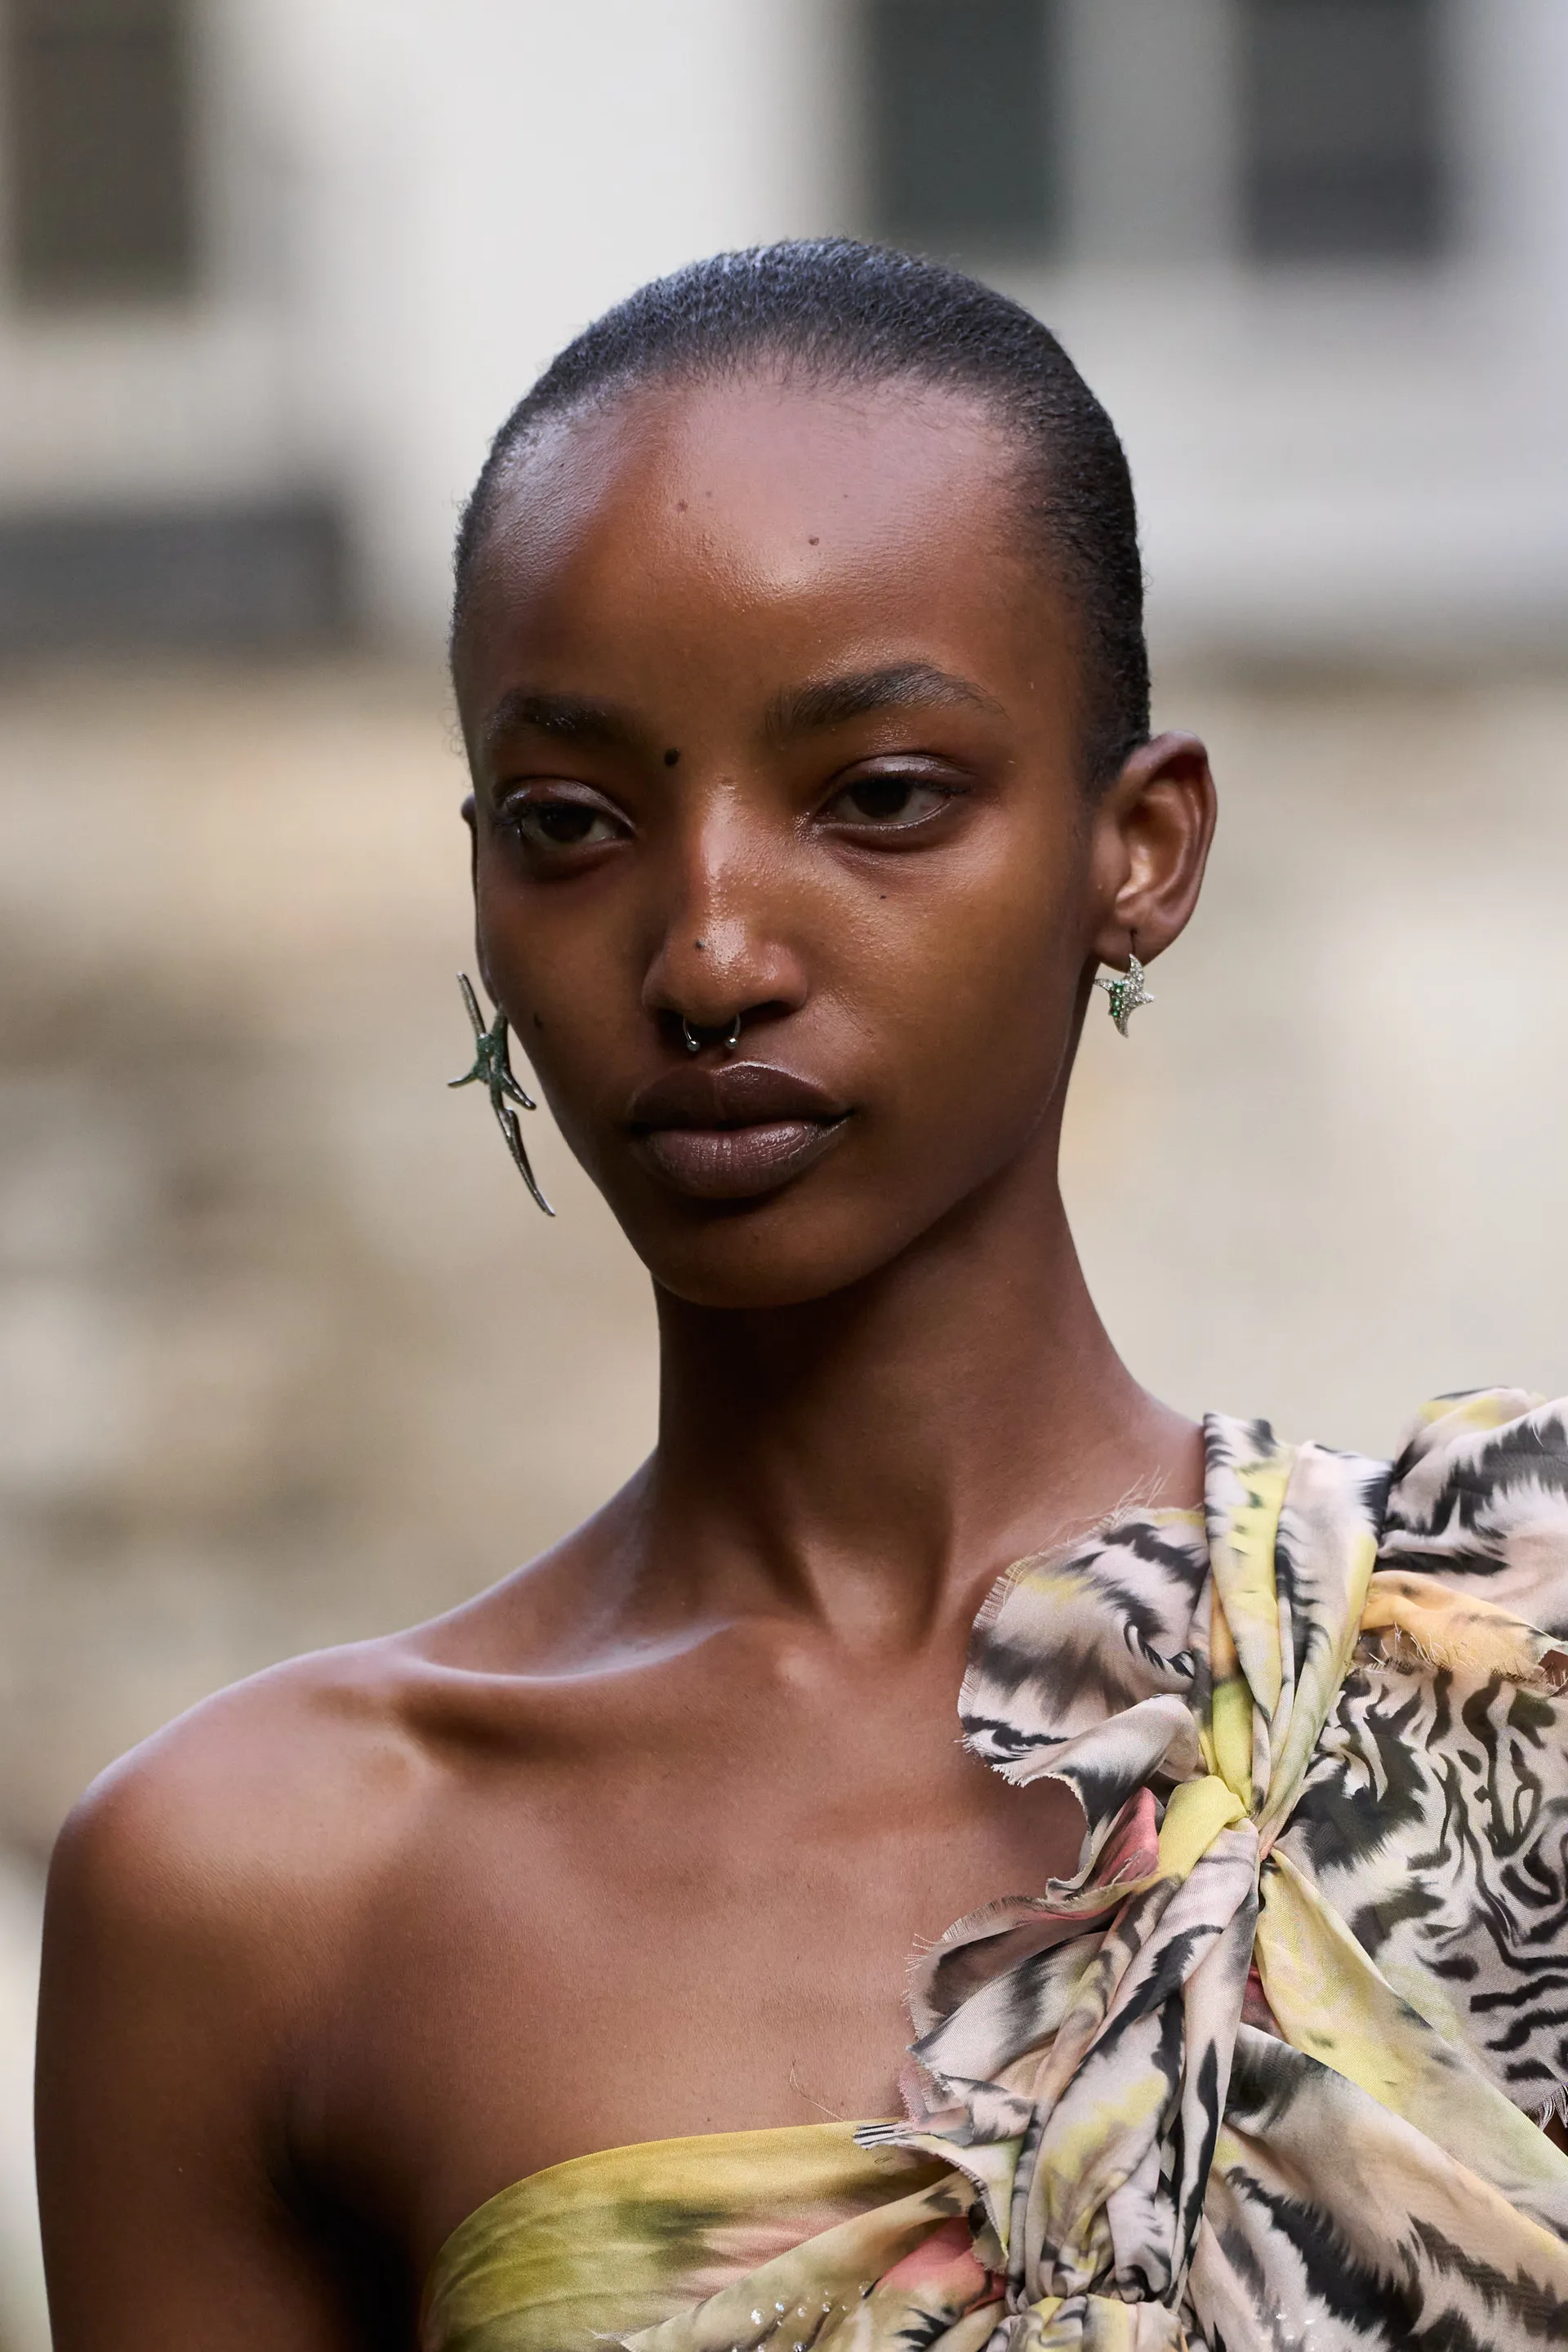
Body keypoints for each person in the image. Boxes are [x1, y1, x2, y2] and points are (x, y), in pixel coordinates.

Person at [33, 241, 1568, 2352]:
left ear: (1143, 851)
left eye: (878, 801)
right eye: (572, 825)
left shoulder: (1504, 1701)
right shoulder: (268, 1889)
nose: (711, 952)